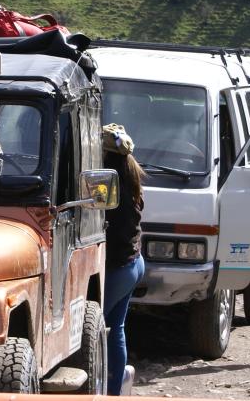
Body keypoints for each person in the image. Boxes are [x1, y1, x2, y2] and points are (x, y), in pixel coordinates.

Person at [101, 122, 145, 396]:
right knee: (115, 328)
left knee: (92, 330)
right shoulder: (130, 179)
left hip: (118, 268)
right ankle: (114, 391)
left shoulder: (107, 187)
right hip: (133, 264)